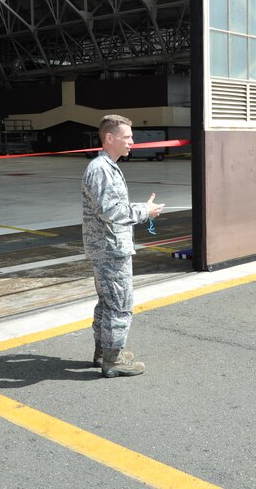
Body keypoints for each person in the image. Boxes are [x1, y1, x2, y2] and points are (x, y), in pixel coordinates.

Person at [82, 114, 164, 378]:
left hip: (108, 246)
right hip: (110, 249)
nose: (132, 141)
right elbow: (110, 211)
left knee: (107, 303)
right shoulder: (101, 169)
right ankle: (113, 360)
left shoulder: (106, 167)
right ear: (109, 138)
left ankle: (104, 352)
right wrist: (145, 211)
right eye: (127, 137)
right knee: (119, 304)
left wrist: (141, 210)